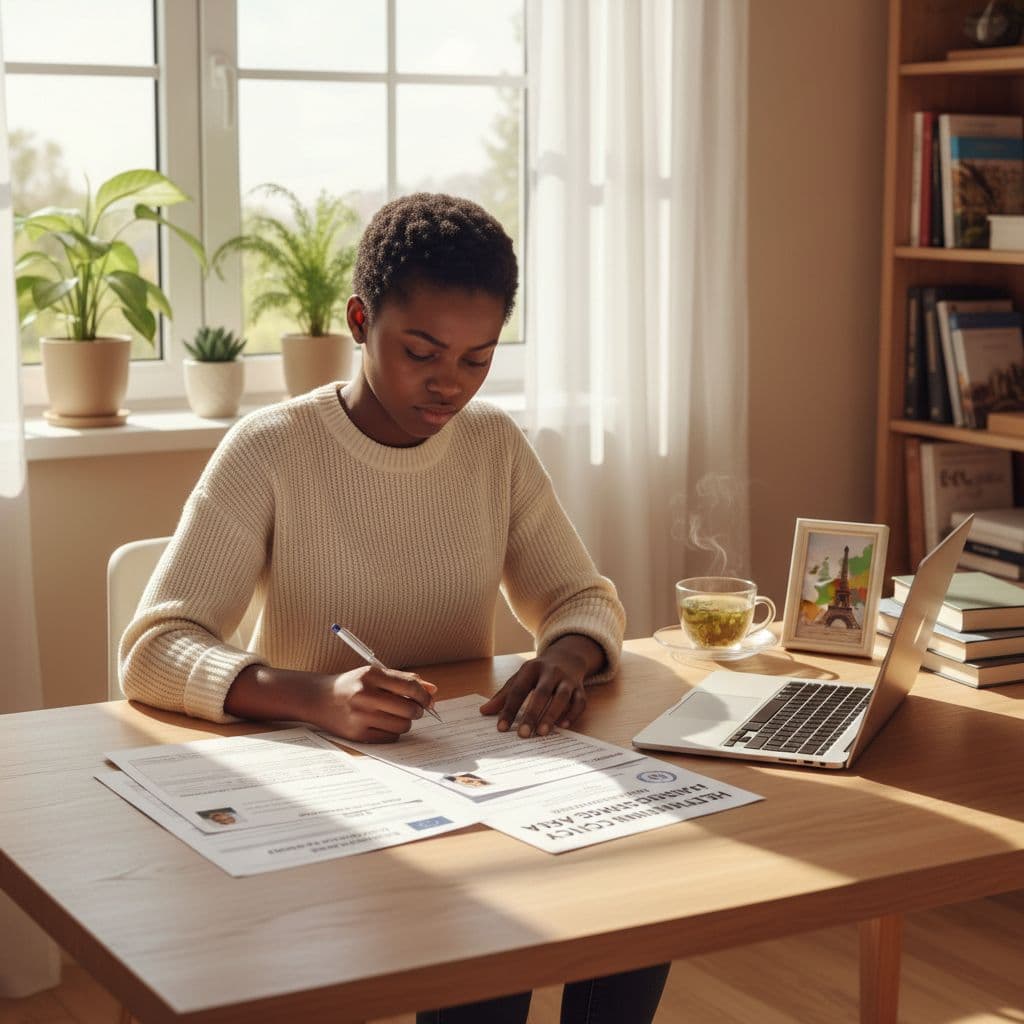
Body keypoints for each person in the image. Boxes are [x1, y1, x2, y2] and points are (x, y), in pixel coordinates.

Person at [120, 192, 669, 1023]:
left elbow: (580, 595)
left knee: (641, 902)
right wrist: (316, 696)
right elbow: (156, 647)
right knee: (487, 943)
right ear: (359, 321)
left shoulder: (493, 445)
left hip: (470, 784)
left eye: (478, 359)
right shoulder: (271, 450)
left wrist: (567, 653)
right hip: (326, 803)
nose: (450, 384)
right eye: (421, 352)